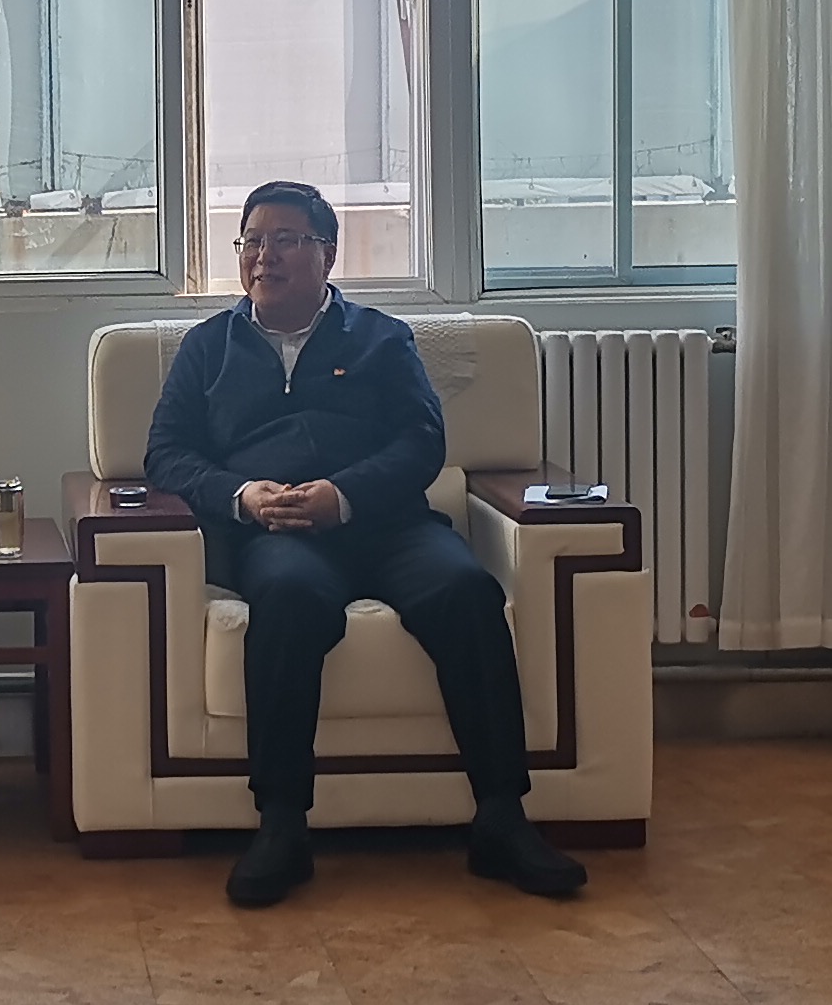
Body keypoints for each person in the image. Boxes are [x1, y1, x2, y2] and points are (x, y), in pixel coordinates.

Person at [142, 180, 585, 911]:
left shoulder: (381, 338)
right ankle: (282, 824)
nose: (264, 256)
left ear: (328, 254)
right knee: (288, 600)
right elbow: (165, 453)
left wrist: (343, 494)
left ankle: (502, 818)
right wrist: (243, 495)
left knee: (466, 592)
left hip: (387, 525)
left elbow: (421, 442)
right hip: (277, 531)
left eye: (287, 240)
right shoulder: (207, 347)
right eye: (253, 241)